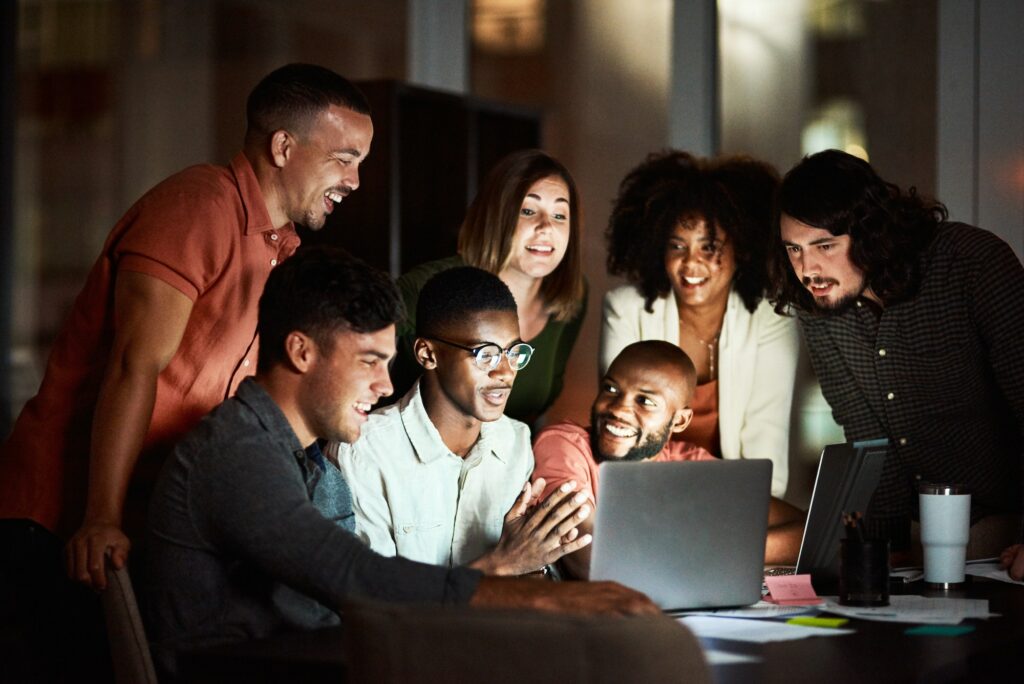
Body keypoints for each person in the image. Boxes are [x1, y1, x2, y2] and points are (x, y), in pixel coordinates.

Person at [141, 247, 656, 677]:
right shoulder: (236, 450)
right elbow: (353, 577)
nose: (385, 386)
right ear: (301, 352)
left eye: (387, 364)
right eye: (368, 361)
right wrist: (528, 590)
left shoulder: (302, 458)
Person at [0, 64, 374, 596]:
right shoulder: (199, 204)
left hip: (144, 518)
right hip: (60, 517)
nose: (355, 181)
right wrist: (102, 518)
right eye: (344, 158)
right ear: (284, 147)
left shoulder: (279, 246)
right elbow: (136, 364)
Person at [772, 148, 1023, 555]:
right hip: (917, 533)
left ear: (869, 231)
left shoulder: (970, 263)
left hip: (1004, 521)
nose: (808, 270)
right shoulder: (818, 308)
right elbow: (867, 440)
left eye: (824, 246)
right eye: (794, 249)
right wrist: (878, 558)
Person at [337, 266, 578, 571]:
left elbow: (526, 576)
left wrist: (534, 561)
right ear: (428, 354)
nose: (505, 372)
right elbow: (379, 602)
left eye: (514, 352)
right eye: (485, 354)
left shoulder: (515, 441)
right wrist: (502, 564)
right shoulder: (366, 451)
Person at [602, 151, 798, 497]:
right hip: (646, 492)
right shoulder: (626, 309)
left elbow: (766, 453)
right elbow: (625, 431)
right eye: (676, 246)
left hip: (735, 496)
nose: (690, 263)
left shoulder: (771, 320)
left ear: (743, 249)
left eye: (709, 247)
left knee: (807, 535)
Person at [532, 341, 805, 579]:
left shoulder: (689, 463)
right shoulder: (564, 444)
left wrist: (706, 552)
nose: (618, 410)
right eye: (611, 389)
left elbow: (809, 533)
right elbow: (594, 564)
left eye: (646, 401)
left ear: (680, 420)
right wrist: (720, 551)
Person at [389, 149, 587, 426]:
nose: (546, 227)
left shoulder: (571, 296)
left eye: (559, 215)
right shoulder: (427, 285)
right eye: (528, 211)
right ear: (497, 216)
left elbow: (535, 407)